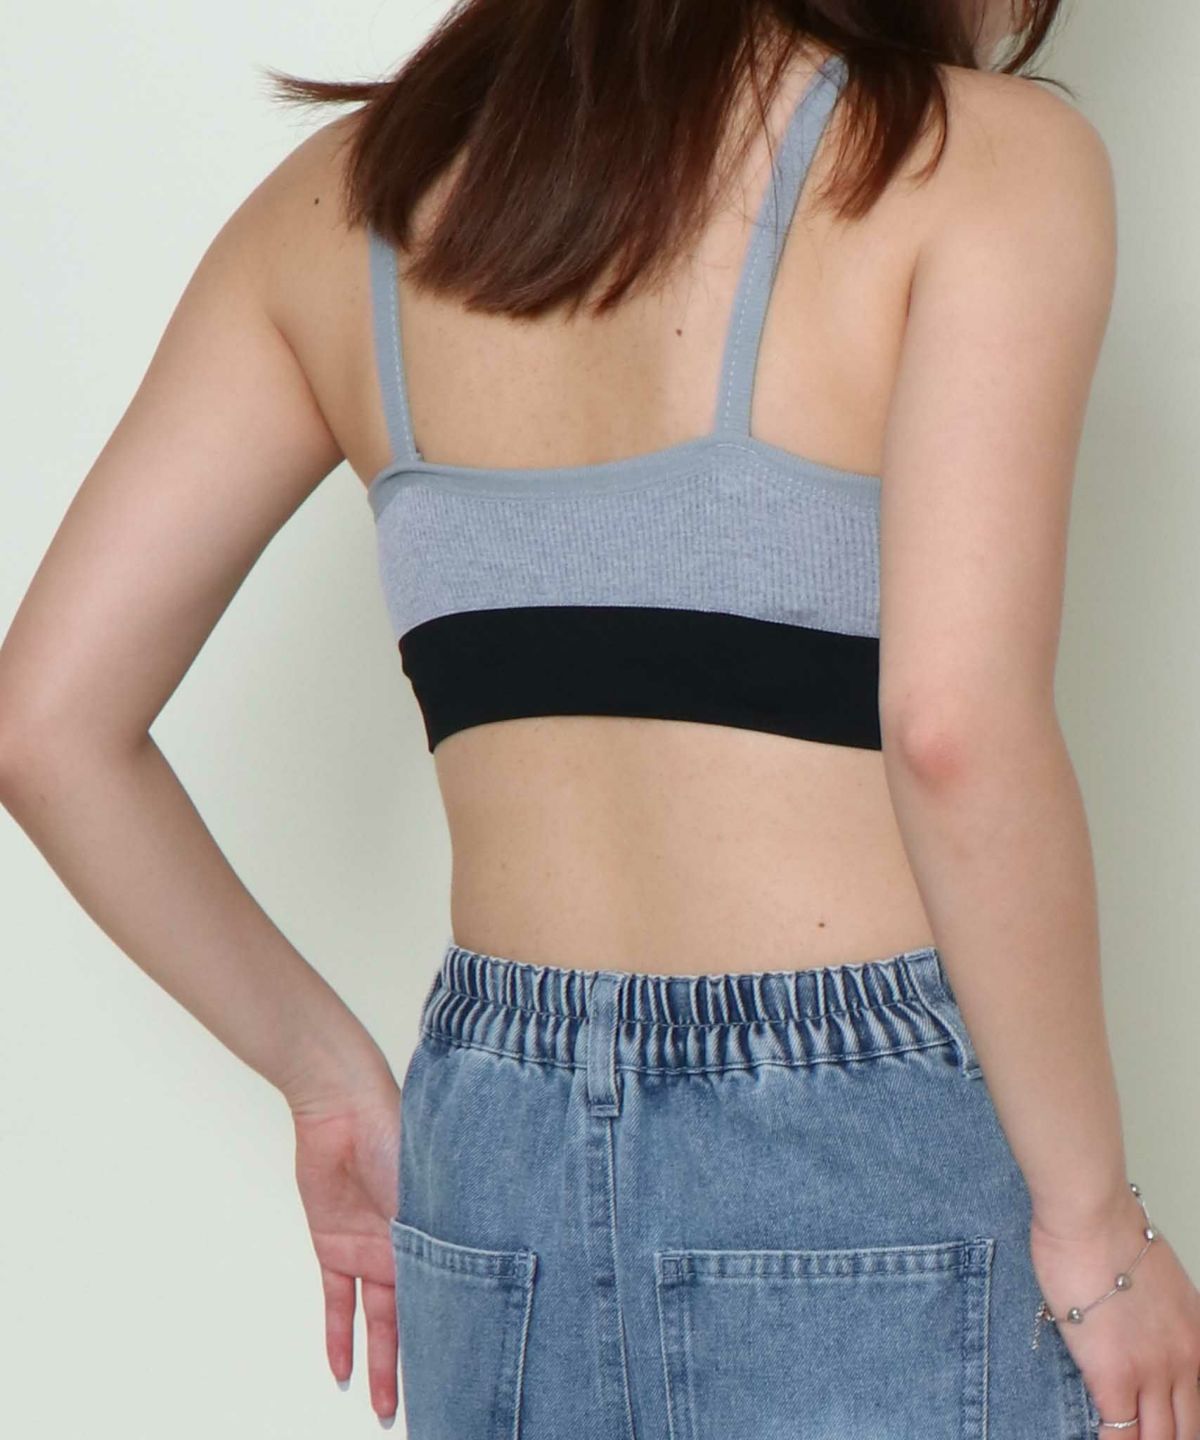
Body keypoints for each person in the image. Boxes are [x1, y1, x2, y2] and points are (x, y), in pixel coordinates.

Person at [2, 0, 1198, 1435]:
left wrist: (326, 1082)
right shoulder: (980, 161)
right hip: (861, 1131)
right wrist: (1094, 1226)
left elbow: (44, 724)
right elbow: (951, 730)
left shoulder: (340, 204)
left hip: (491, 1132)